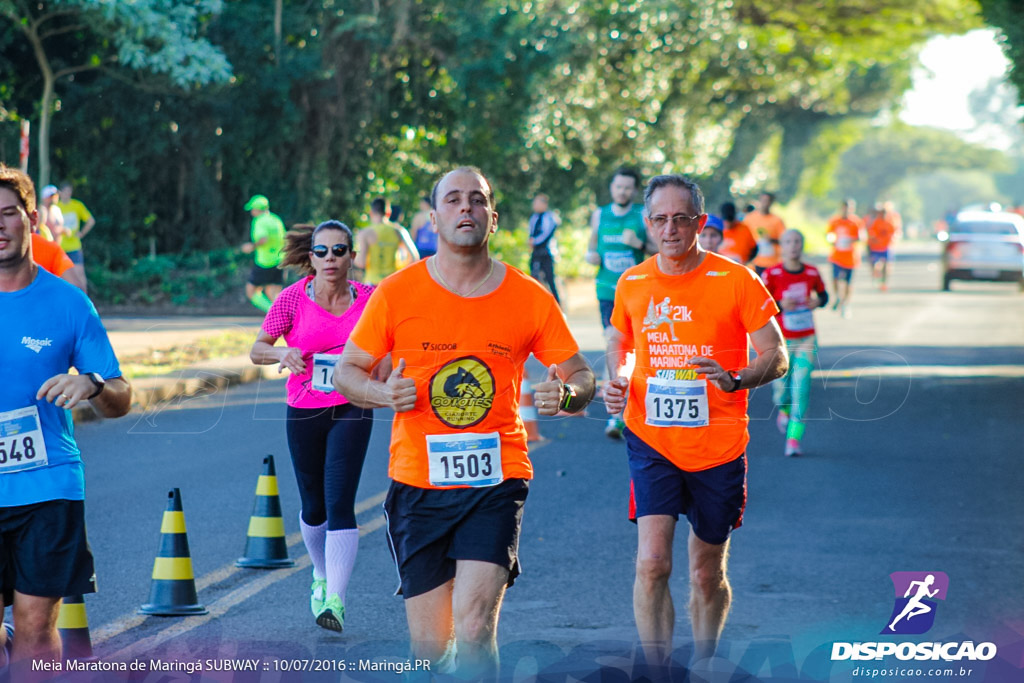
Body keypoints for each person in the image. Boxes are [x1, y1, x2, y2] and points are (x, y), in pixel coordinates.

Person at [335, 166, 595, 680]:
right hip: (418, 484)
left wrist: (566, 394)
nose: (465, 208)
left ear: (492, 219)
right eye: (452, 200)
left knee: (475, 629)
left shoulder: (528, 297)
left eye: (477, 200)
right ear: (434, 219)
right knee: (429, 652)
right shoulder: (396, 292)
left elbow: (581, 373)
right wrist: (382, 392)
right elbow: (347, 372)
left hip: (495, 480)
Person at [603, 174, 788, 674]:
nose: (670, 230)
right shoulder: (634, 282)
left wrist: (736, 379)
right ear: (648, 225)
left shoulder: (736, 280)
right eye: (659, 220)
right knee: (652, 562)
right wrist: (617, 381)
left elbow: (778, 354)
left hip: (719, 447)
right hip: (652, 439)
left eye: (680, 219)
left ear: (700, 223)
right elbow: (620, 341)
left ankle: (705, 662)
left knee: (706, 572)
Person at [0, 164, 132, 677]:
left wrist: (94, 385)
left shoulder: (70, 304)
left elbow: (121, 394)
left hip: (48, 486)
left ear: (31, 219)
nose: (0, 225)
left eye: (9, 213)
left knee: (36, 627)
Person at [249, 220, 376, 633]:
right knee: (314, 505)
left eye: (339, 251)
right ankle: (320, 575)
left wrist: (388, 377)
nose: (330, 259)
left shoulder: (371, 300)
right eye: (321, 252)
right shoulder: (291, 299)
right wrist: (282, 356)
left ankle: (335, 601)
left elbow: (393, 342)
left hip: (354, 405)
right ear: (310, 257)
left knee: (341, 501)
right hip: (304, 407)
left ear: (352, 257)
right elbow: (258, 349)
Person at [586, 167, 654, 439]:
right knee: (613, 343)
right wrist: (591, 255)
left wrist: (638, 242)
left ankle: (640, 408)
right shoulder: (599, 214)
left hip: (637, 292)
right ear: (612, 188)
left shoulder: (642, 215)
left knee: (638, 348)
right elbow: (591, 246)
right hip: (607, 291)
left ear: (635, 190)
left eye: (628, 187)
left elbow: (658, 248)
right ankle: (615, 416)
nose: (622, 191)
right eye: (618, 187)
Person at [761, 229, 827, 457]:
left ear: (802, 244)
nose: (793, 246)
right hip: (782, 339)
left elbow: (824, 296)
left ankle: (793, 439)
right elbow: (761, 304)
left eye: (797, 241)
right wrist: (780, 303)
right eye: (788, 241)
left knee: (802, 387)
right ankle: (783, 409)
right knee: (782, 390)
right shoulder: (772, 273)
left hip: (807, 337)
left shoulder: (811, 272)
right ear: (782, 245)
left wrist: (816, 301)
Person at [354, 197, 419, 284]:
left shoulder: (365, 233)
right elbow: (414, 258)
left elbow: (361, 263)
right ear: (388, 213)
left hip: (372, 283)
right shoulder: (399, 231)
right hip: (392, 282)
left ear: (371, 213)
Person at [240, 194, 287, 313]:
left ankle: (274, 314)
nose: (251, 212)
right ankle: (285, 317)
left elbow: (263, 238)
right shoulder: (276, 220)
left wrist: (251, 246)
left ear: (256, 209)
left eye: (252, 209)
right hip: (280, 260)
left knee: (251, 291)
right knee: (273, 293)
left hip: (265, 262)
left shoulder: (259, 221)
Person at [826, 198, 863, 318]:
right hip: (837, 256)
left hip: (850, 258)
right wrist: (832, 239)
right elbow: (829, 234)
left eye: (849, 207)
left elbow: (861, 237)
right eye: (845, 207)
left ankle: (845, 303)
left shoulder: (856, 222)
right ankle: (837, 296)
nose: (846, 209)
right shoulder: (835, 221)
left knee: (847, 283)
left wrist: (850, 240)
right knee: (835, 279)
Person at [56, 182, 94, 292]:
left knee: (79, 275)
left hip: (74, 246)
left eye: (69, 192)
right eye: (65, 192)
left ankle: (85, 302)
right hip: (60, 247)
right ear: (60, 192)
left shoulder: (77, 205)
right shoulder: (56, 207)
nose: (67, 194)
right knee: (60, 277)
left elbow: (90, 221)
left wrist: (81, 233)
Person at [527, 193, 562, 306]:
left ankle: (557, 304)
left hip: (547, 252)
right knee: (534, 277)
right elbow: (531, 233)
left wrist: (535, 241)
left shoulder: (550, 217)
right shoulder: (534, 218)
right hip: (536, 252)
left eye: (537, 202)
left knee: (549, 278)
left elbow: (547, 235)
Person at [746, 191, 786, 275]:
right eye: (763, 200)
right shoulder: (749, 218)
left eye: (768, 201)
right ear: (759, 201)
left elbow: (785, 241)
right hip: (753, 263)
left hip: (772, 263)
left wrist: (771, 240)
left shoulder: (777, 220)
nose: (765, 203)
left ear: (771, 203)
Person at [866, 205, 898, 291]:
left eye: (884, 213)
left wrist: (891, 239)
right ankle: (877, 277)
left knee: (887, 266)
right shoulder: (875, 222)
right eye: (881, 213)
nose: (882, 215)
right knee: (876, 265)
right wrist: (874, 239)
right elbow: (870, 233)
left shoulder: (890, 223)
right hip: (875, 248)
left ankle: (884, 283)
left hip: (885, 247)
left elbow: (894, 234)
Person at [719, 202, 758, 266]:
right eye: (726, 219)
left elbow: (754, 249)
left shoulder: (744, 228)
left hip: (740, 268)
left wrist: (747, 261)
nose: (728, 222)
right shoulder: (717, 229)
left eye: (730, 219)